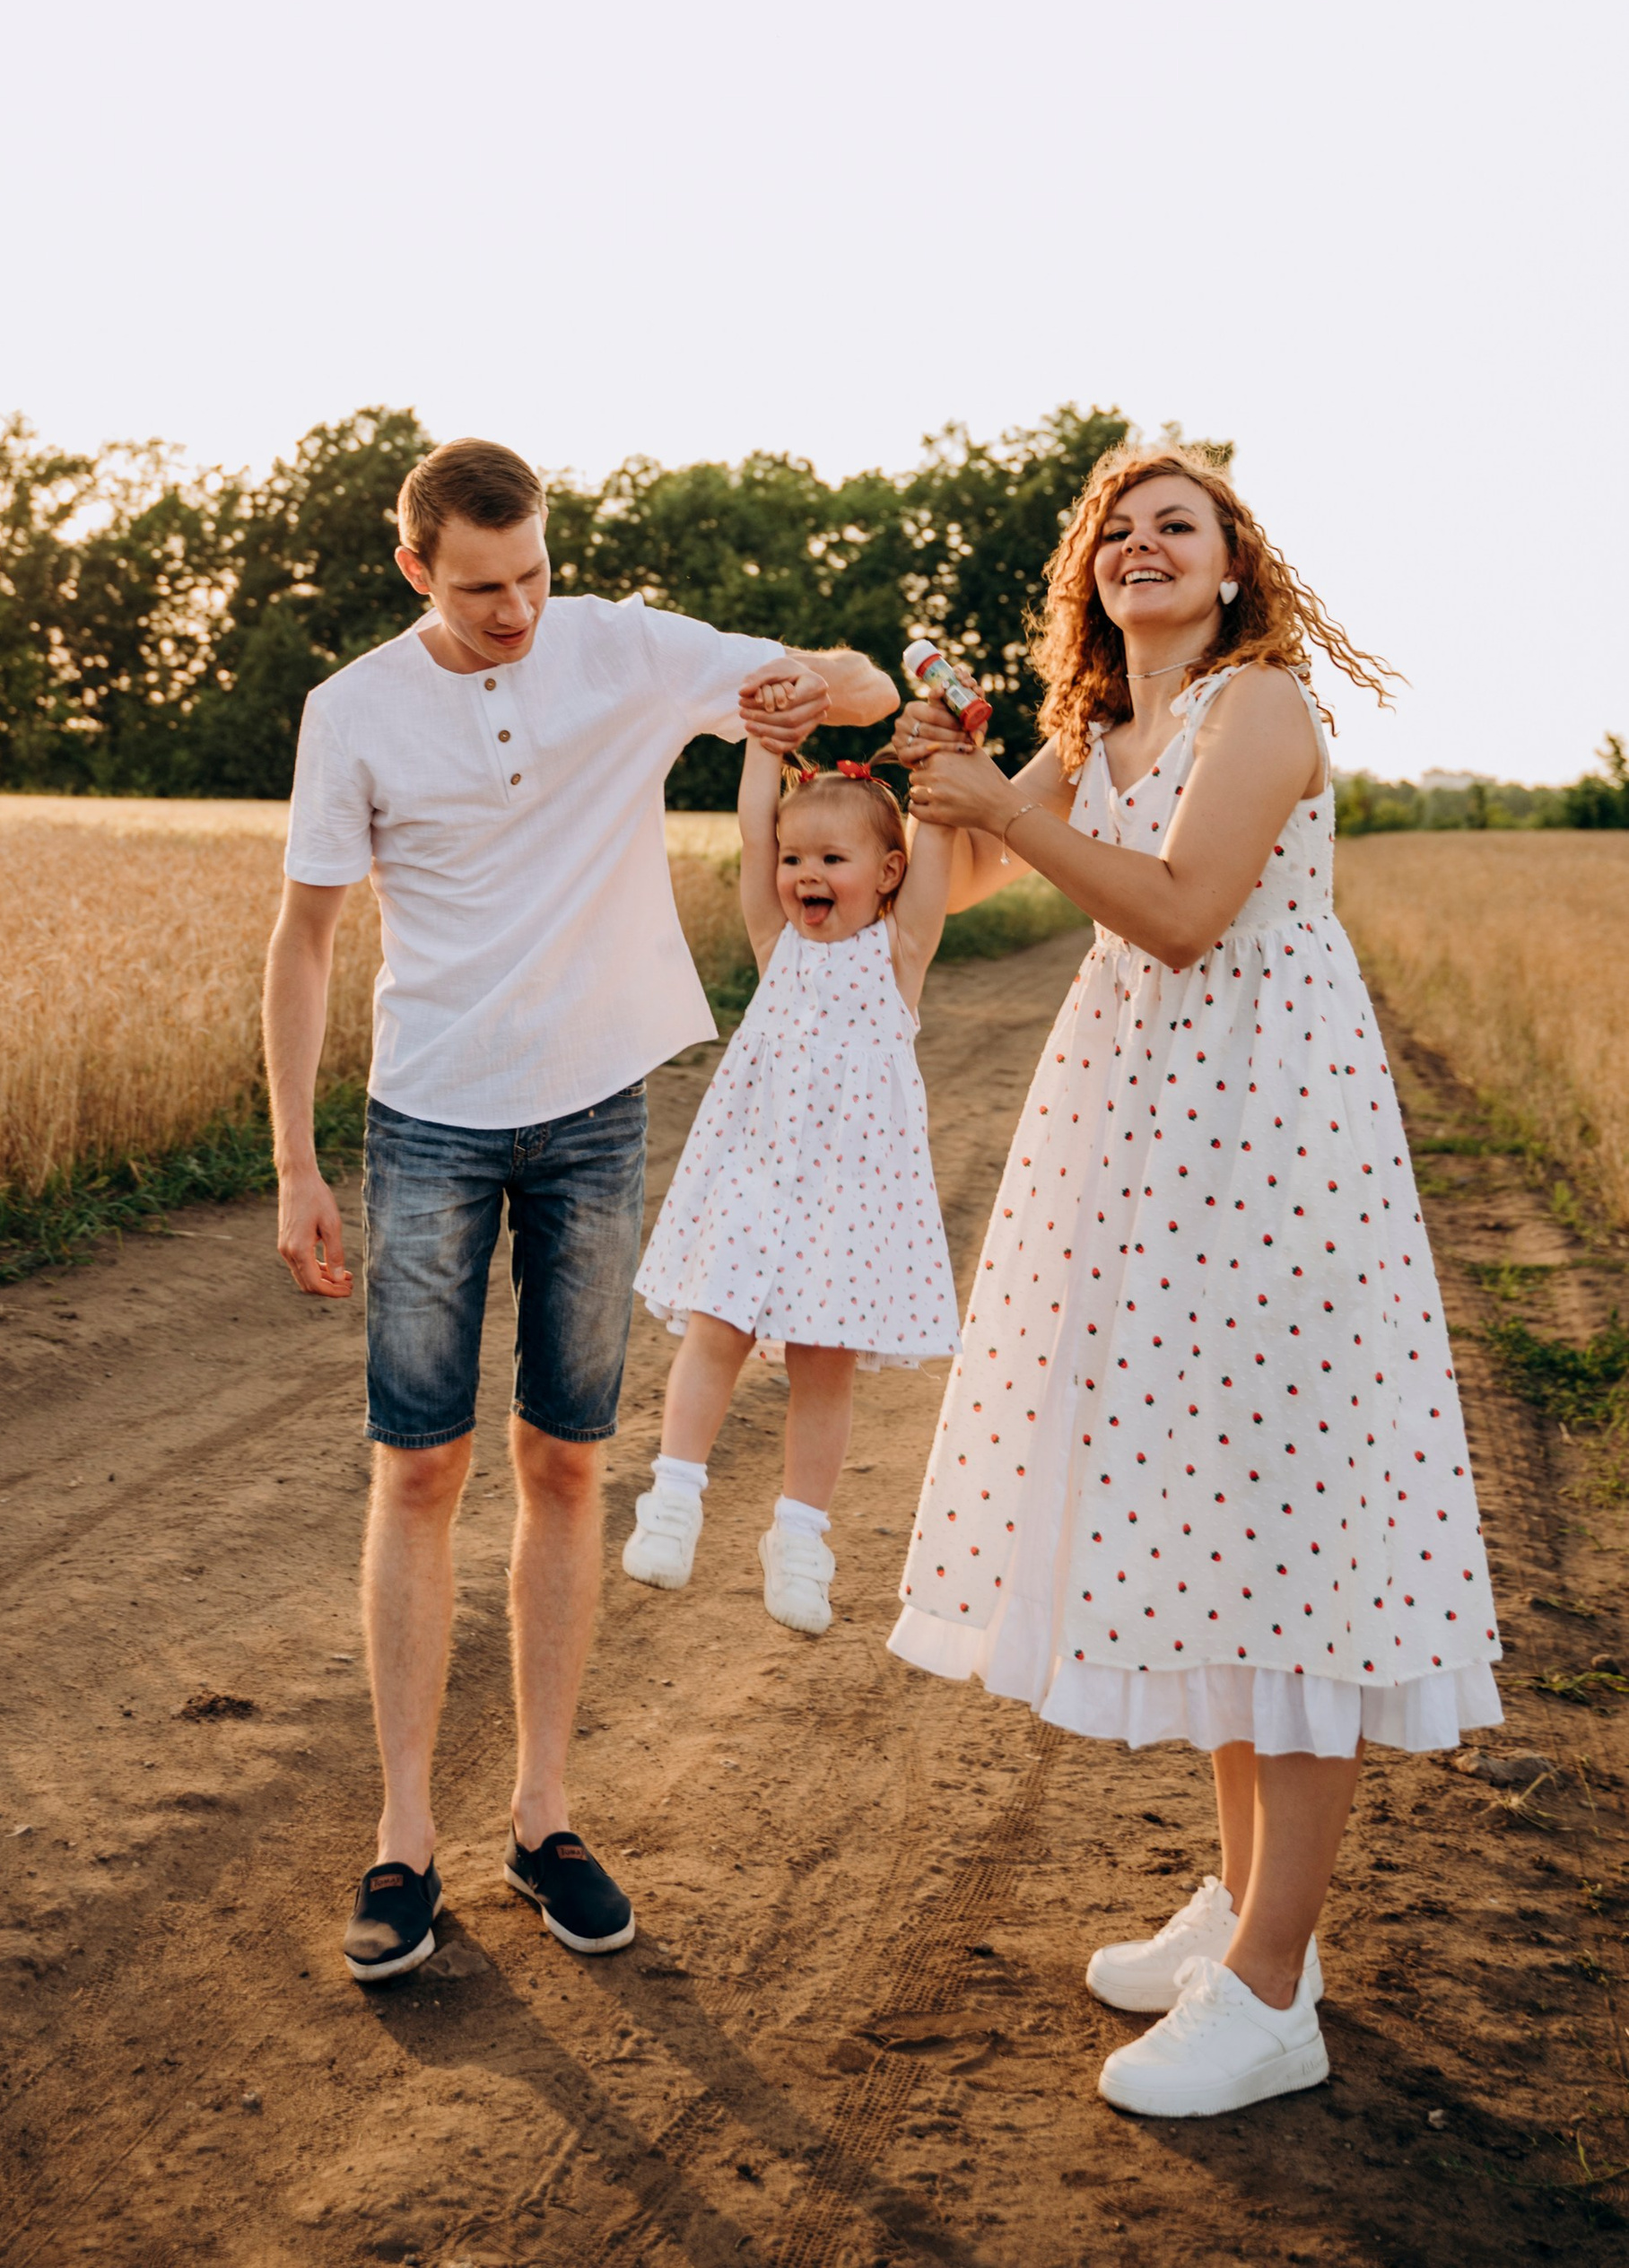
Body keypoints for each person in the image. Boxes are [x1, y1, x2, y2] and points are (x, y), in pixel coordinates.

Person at [892, 447, 1499, 2120]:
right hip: (1152, 1148)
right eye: (1119, 527)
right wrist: (915, 772)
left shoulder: (1263, 704)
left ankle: (1275, 1984)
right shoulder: (1098, 728)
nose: (1142, 542)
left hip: (1273, 1146)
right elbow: (961, 875)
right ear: (1090, 574)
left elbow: (1180, 911)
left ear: (1234, 571)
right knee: (1220, 1522)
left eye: (1181, 523)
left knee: (1290, 1533)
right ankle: (1240, 1904)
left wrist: (1004, 806)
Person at [264, 435, 895, 1983]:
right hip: (428, 1114)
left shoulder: (623, 645)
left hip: (595, 1112)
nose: (518, 610)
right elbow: (305, 936)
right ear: (416, 568)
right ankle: (404, 1836)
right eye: (482, 587)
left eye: (535, 573)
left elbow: (867, 685)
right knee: (420, 1468)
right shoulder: (354, 710)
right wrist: (294, 1160)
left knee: (565, 1459)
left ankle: (542, 1816)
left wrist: (805, 683)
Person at [621, 738, 960, 1636]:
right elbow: (750, 830)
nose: (805, 873)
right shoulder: (776, 946)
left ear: (887, 874)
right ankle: (674, 1497)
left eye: (832, 859)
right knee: (715, 1328)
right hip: (756, 1180)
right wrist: (765, 747)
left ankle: (800, 1535)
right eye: (793, 857)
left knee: (823, 1364)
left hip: (849, 1202)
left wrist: (939, 758)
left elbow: (934, 845)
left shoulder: (900, 953)